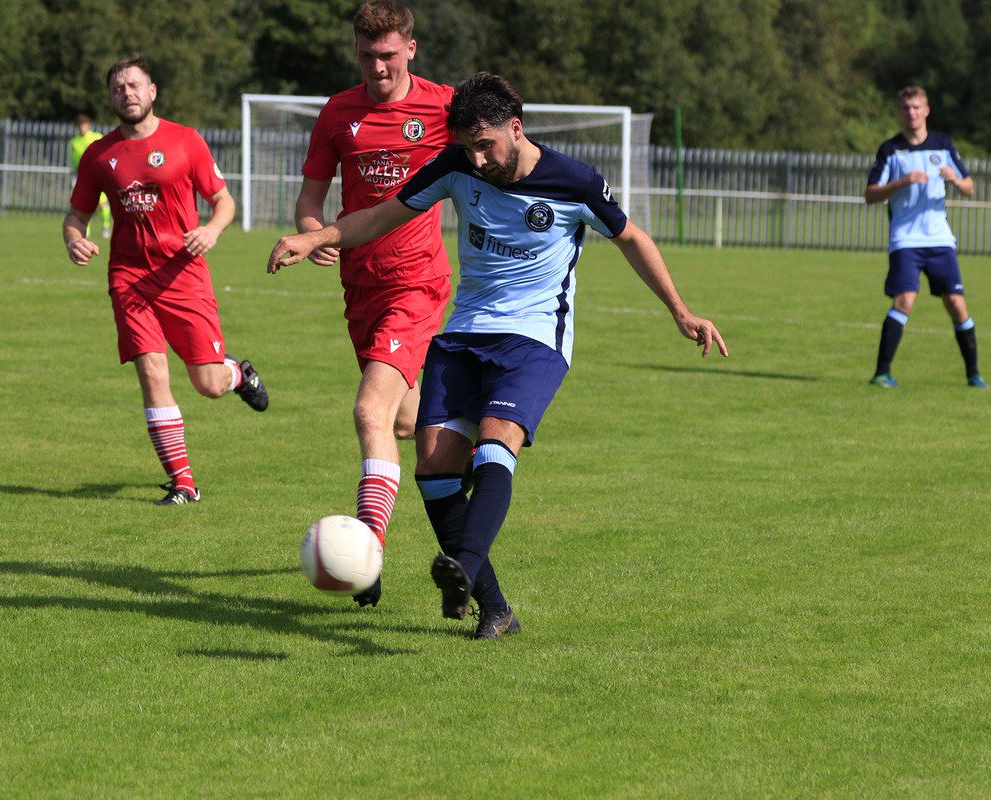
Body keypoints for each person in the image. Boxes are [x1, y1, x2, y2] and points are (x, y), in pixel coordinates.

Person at [269, 72, 728, 639]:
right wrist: (315, 238)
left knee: (494, 444)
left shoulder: (573, 181)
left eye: (486, 144)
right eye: (468, 146)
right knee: (435, 467)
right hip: (464, 333)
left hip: (534, 339)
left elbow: (633, 238)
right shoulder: (456, 165)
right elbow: (382, 216)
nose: (478, 158)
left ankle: (463, 563)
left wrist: (680, 311)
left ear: (516, 128)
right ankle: (495, 608)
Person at [284, 0, 455, 607]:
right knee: (404, 422)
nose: (377, 67)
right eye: (366, 55)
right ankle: (455, 489)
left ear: (411, 48)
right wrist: (314, 234)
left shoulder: (443, 106)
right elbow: (311, 197)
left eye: (387, 55)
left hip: (417, 284)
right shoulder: (337, 112)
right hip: (361, 286)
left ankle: (367, 548)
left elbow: (498, 159)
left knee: (366, 412)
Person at [63, 55, 269, 506]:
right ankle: (183, 483)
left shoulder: (185, 141)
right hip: (129, 278)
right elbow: (76, 214)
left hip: (184, 276)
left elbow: (223, 201)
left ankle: (237, 372)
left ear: (152, 91)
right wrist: (74, 239)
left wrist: (211, 230)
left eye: (134, 85)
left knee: (208, 385)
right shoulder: (100, 154)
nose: (127, 94)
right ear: (110, 97)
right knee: (152, 373)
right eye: (118, 88)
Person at [864, 85, 983, 389]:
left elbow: (970, 187)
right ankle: (882, 373)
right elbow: (871, 194)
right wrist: (901, 181)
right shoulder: (891, 150)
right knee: (904, 300)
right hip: (905, 239)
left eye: (916, 107)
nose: (911, 113)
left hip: (940, 239)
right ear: (900, 112)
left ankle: (974, 374)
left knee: (956, 303)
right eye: (906, 108)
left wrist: (955, 179)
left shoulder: (943, 146)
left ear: (926, 110)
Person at [68, 114, 112, 238]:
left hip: (98, 175)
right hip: (82, 177)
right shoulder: (73, 142)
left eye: (84, 125)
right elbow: (73, 161)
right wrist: (73, 178)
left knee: (102, 204)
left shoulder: (96, 137)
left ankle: (106, 226)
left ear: (88, 125)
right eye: (80, 125)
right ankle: (85, 230)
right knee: (83, 204)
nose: (82, 128)